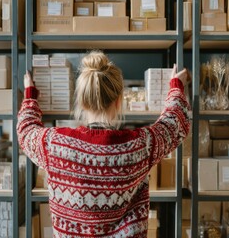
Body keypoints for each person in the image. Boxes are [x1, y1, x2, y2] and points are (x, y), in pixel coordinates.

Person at [17, 50, 191, 237]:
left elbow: (26, 130)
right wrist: (176, 86)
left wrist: (30, 94)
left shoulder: (54, 144)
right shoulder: (140, 145)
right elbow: (175, 123)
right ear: (118, 102)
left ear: (82, 102)